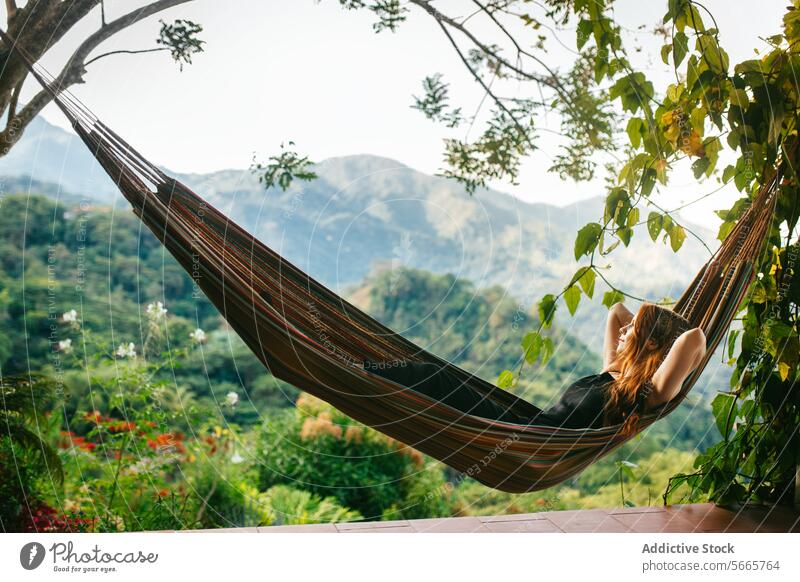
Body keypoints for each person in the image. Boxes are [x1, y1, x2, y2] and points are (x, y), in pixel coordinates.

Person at [362, 302, 707, 434]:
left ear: (649, 344)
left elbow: (694, 338)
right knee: (438, 375)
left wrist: (655, 329)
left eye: (632, 330)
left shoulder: (646, 394)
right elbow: (615, 310)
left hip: (530, 439)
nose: (622, 330)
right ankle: (358, 371)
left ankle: (356, 372)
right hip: (527, 424)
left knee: (431, 376)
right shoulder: (615, 370)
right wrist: (645, 329)